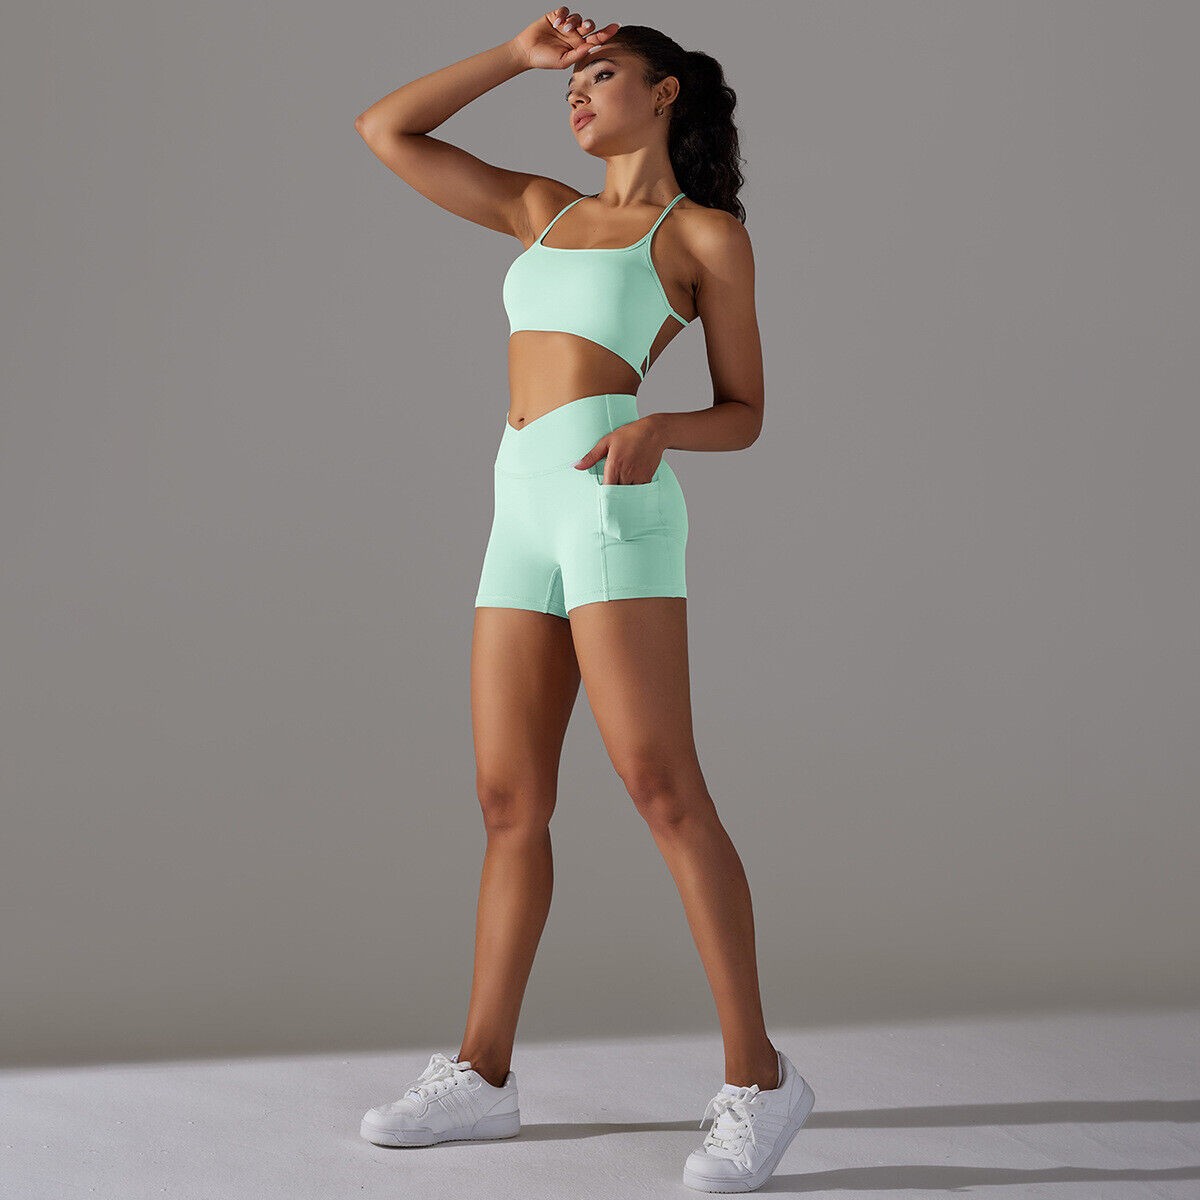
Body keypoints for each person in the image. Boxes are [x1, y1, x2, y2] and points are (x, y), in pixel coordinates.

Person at [353, 10, 814, 1191]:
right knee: (508, 800)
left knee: (664, 789)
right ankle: (482, 1075)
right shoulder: (541, 209)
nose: (578, 90)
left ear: (665, 93)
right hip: (518, 505)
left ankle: (760, 1079)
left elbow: (747, 411)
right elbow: (387, 129)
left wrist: (660, 429)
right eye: (572, 77)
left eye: (601, 73)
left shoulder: (700, 234)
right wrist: (516, 56)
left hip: (613, 502)